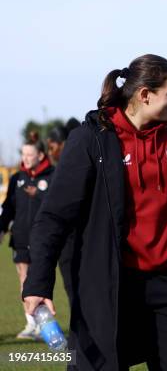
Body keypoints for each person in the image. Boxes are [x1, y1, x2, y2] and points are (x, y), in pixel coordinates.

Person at [22, 54, 167, 370]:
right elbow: (54, 216)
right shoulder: (91, 139)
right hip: (111, 287)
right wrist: (38, 284)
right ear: (145, 95)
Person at [0, 132, 54, 339]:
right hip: (21, 237)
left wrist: (39, 194)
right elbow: (8, 209)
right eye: (23, 154)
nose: (25, 158)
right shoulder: (16, 179)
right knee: (24, 278)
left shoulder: (52, 175)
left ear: (40, 155)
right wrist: (2, 229)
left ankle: (45, 324)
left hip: (44, 238)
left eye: (30, 154)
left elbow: (58, 204)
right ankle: (32, 324)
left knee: (40, 277)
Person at [46, 119, 80, 306]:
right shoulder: (58, 170)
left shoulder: (69, 169)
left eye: (52, 147)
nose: (50, 153)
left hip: (74, 241)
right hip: (66, 243)